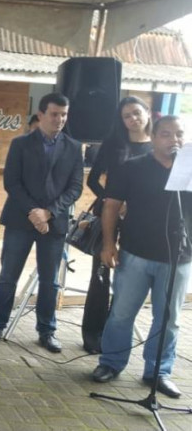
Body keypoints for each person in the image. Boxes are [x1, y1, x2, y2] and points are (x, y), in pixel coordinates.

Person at [91, 115, 190, 398]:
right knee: (122, 313)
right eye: (166, 134)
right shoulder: (132, 167)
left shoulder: (190, 168)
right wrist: (108, 244)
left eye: (179, 134)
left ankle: (158, 371)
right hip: (136, 253)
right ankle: (111, 363)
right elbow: (111, 207)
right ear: (154, 137)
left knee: (169, 318)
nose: (174, 140)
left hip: (178, 257)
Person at [0, 93, 83, 353]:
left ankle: (46, 330)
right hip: (20, 219)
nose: (60, 119)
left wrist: (48, 213)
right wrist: (34, 211)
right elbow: (12, 182)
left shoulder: (74, 147)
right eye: (55, 114)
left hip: (54, 224)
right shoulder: (20, 144)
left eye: (64, 115)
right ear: (41, 115)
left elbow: (75, 188)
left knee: (50, 280)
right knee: (9, 275)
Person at [81, 96, 152, 354]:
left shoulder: (157, 146)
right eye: (127, 116)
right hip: (108, 218)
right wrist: (113, 200)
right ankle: (92, 335)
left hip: (141, 221)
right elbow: (92, 181)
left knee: (126, 280)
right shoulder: (113, 144)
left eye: (136, 113)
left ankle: (114, 336)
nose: (133, 119)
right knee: (100, 277)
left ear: (147, 112)